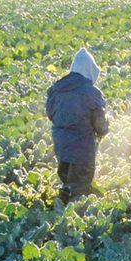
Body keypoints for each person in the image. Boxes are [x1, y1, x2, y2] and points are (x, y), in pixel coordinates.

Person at [47, 47, 108, 203]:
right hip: (82, 148)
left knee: (67, 179)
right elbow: (100, 124)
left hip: (61, 144)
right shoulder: (91, 92)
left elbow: (51, 114)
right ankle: (71, 220)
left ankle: (63, 200)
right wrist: (104, 129)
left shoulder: (57, 88)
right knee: (80, 186)